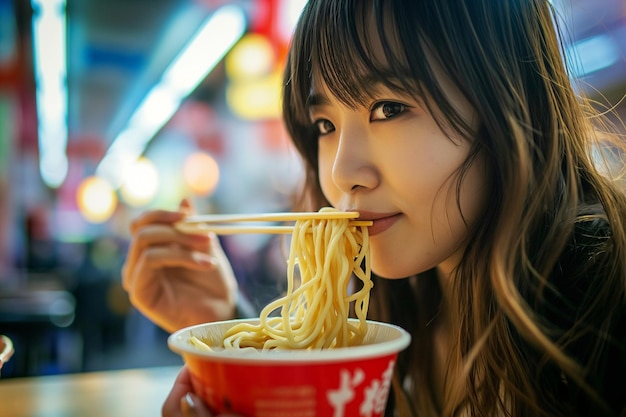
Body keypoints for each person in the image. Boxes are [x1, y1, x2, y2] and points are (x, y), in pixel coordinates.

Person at [122, 0, 626, 416]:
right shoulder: (399, 307)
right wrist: (232, 330)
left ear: (510, 103)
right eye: (325, 125)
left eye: (389, 108)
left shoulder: (608, 307)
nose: (342, 172)